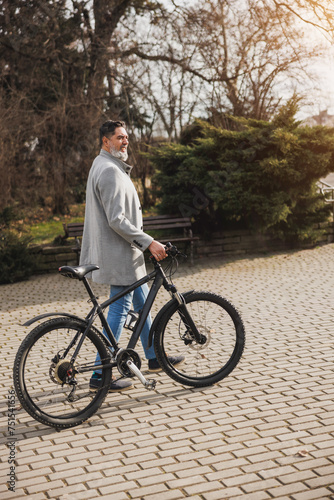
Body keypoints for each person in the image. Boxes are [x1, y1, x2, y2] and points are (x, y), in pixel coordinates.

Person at [80, 120, 184, 391]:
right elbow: (116, 219)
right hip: (120, 253)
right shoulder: (109, 171)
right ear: (106, 141)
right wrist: (149, 242)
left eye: (126, 137)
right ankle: (99, 374)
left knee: (143, 302)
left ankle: (154, 357)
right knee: (119, 309)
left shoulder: (104, 164)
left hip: (125, 252)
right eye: (119, 137)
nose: (125, 141)